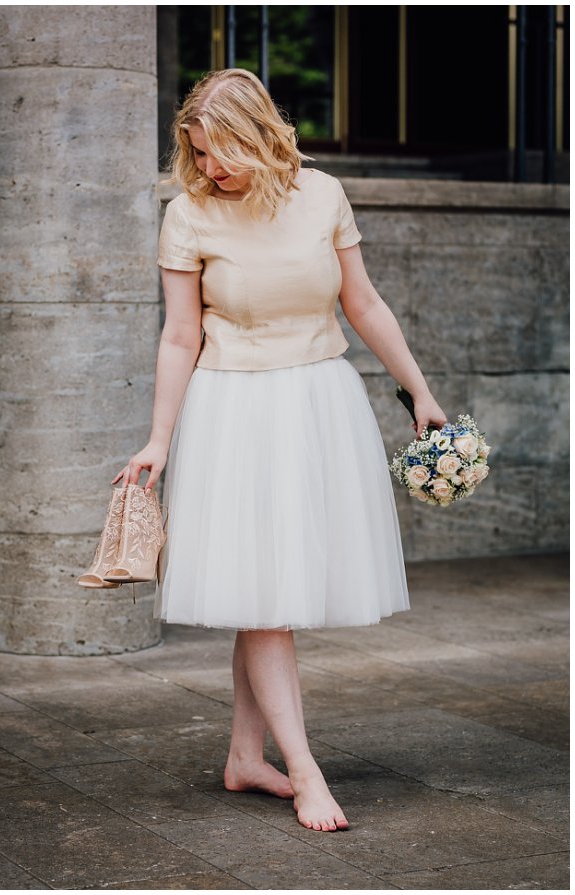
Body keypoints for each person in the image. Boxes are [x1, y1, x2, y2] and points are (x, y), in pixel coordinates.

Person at [116, 69, 446, 832]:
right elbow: (179, 334)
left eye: (219, 151)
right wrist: (159, 439)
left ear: (258, 134)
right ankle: (304, 770)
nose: (207, 168)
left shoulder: (323, 195)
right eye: (195, 154)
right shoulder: (188, 215)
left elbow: (361, 301)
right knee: (266, 600)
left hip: (318, 400)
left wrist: (420, 393)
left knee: (264, 591)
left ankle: (243, 754)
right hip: (234, 406)